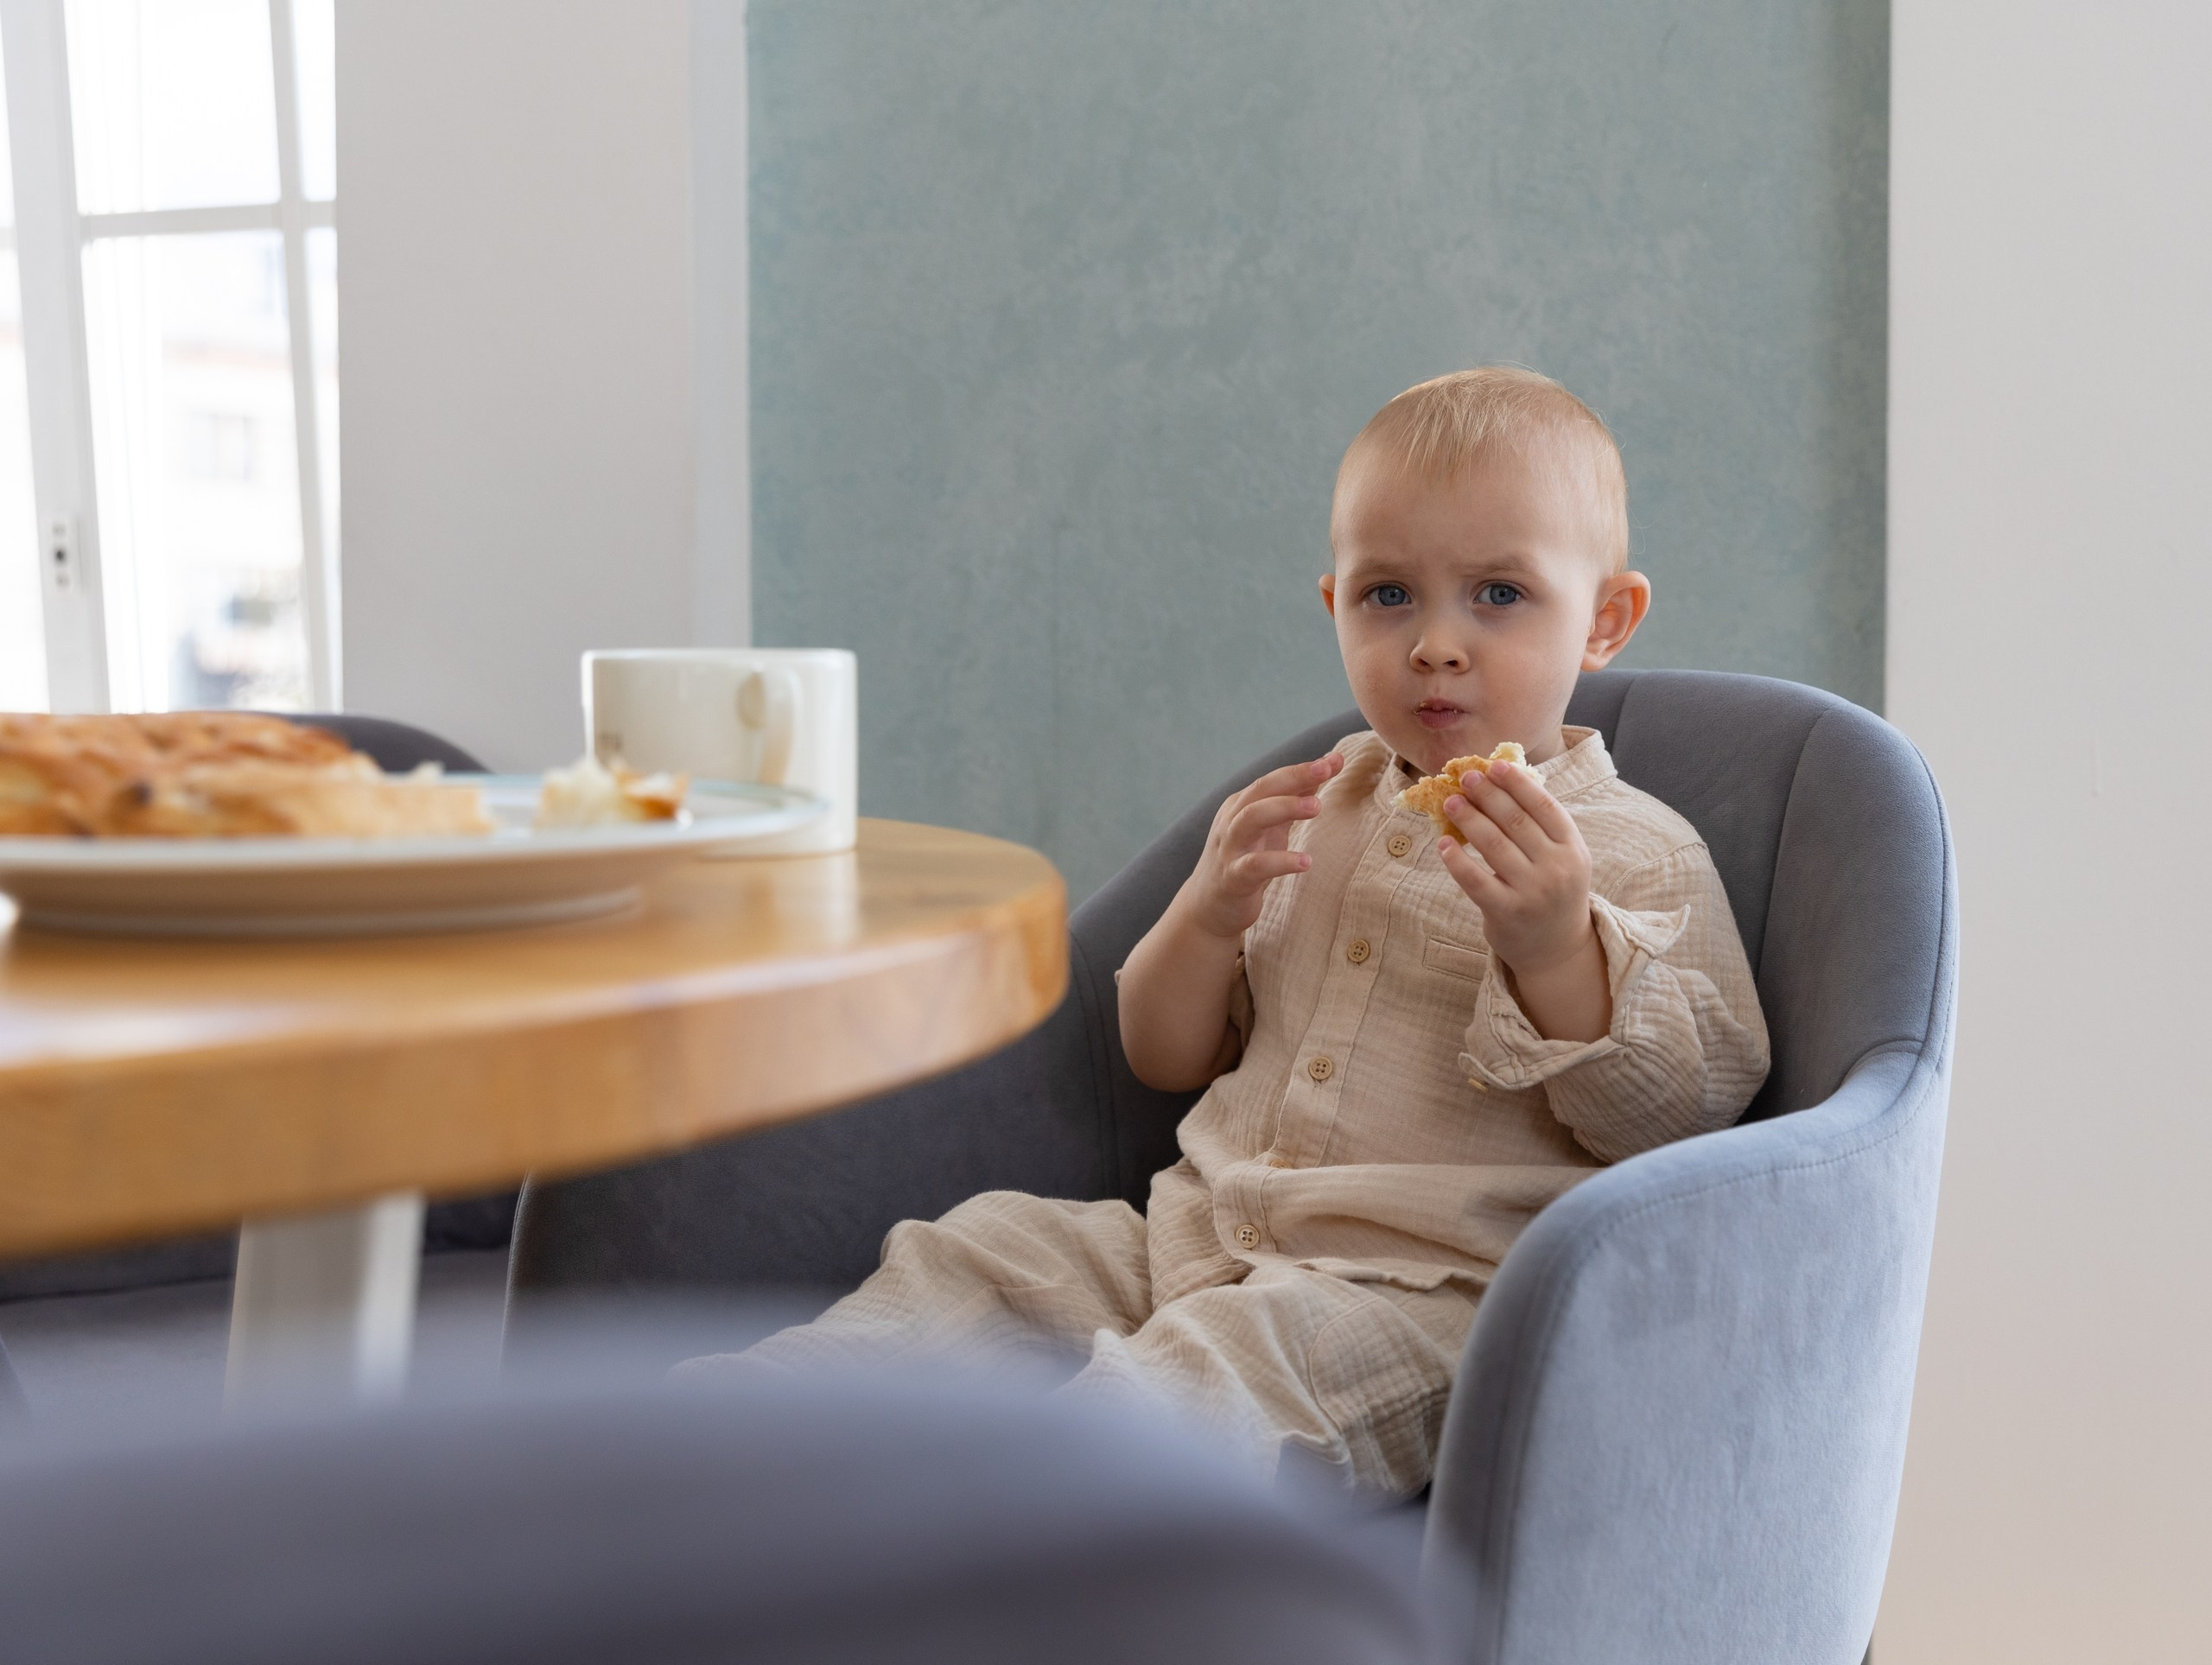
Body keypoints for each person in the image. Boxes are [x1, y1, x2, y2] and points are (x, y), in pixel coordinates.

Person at [678, 367, 1770, 1497]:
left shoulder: (1633, 849)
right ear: (1333, 606)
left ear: (1604, 620)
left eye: (1498, 595)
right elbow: (1160, 1054)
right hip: (1190, 1242)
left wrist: (1556, 949)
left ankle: (991, 1541)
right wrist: (1206, 918)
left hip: (1417, 1303)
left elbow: (1679, 1120)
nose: (1436, 642)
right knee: (983, 1251)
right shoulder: (1318, 803)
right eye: (1388, 595)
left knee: (1201, 1381)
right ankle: (709, 1458)